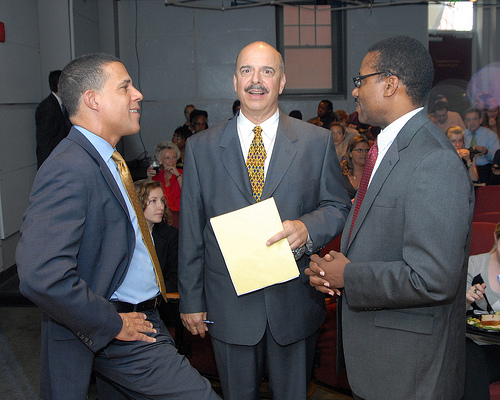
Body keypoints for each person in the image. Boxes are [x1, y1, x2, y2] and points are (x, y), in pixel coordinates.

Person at [16, 53, 219, 400]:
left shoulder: (109, 159)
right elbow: (40, 273)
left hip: (138, 319)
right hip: (117, 328)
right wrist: (111, 323)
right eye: (125, 87)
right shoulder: (68, 166)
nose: (137, 94)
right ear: (92, 99)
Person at [179, 41, 351, 400]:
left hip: (294, 302)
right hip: (229, 305)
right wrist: (191, 300)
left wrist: (307, 228)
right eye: (247, 71)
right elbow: (192, 230)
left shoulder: (315, 142)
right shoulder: (201, 147)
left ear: (282, 81)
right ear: (234, 81)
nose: (256, 80)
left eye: (267, 71)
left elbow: (338, 206)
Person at [306, 35, 474, 400]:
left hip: (410, 372)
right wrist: (336, 270)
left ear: (390, 83)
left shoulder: (433, 160)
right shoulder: (390, 146)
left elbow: (433, 278)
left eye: (361, 80)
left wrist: (349, 276)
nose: (355, 91)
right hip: (382, 361)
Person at [465, 221, 500, 400]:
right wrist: (467, 299)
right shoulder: (474, 264)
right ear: (496, 237)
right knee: (471, 365)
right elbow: (453, 314)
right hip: (475, 342)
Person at [134, 179, 178, 294]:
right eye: (153, 201)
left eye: (162, 200)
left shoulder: (171, 236)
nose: (161, 207)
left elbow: (174, 279)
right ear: (138, 203)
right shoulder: (125, 236)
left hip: (158, 299)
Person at [35, 69, 72, 168]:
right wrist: (47, 167)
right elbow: (44, 141)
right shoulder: (47, 107)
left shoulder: (63, 105)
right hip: (53, 162)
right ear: (59, 86)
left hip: (62, 159)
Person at [147, 141, 182, 228]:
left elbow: (189, 193)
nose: (171, 161)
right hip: (163, 218)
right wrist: (149, 178)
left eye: (174, 157)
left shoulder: (182, 173)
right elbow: (148, 196)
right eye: (167, 158)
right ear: (160, 161)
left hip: (182, 215)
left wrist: (177, 175)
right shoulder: (157, 177)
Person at [464, 107, 500, 183]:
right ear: (465, 122)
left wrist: (487, 152)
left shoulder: (490, 135)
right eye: (469, 120)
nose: (471, 122)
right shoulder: (462, 135)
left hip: (485, 170)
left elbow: (497, 158)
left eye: (474, 119)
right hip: (465, 170)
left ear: (480, 120)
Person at [340, 136, 370, 200]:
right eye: (359, 150)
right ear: (350, 153)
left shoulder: (372, 173)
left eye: (367, 150)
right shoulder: (340, 171)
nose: (364, 153)